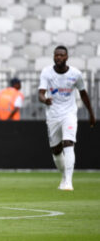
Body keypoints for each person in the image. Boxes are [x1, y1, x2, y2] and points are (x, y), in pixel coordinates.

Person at [38, 45, 96, 191]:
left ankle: (69, 182)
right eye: (56, 55)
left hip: (69, 114)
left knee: (68, 142)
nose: (58, 57)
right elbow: (40, 93)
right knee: (56, 151)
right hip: (52, 116)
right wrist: (45, 100)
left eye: (61, 55)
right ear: (53, 57)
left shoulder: (76, 74)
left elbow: (83, 94)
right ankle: (64, 176)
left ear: (66, 57)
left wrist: (91, 113)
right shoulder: (47, 72)